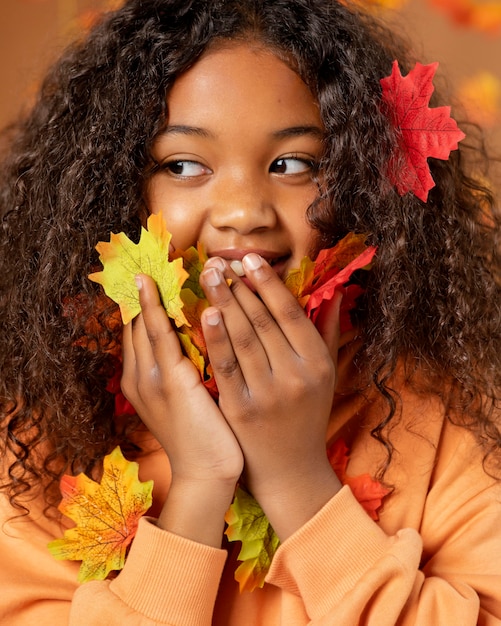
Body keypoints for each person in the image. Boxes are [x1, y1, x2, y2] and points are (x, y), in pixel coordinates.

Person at [0, 0, 500, 623]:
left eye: (294, 165)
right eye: (184, 166)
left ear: (363, 183)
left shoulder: (460, 419)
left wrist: (297, 481)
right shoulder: (35, 442)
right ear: (109, 190)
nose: (244, 211)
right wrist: (202, 483)